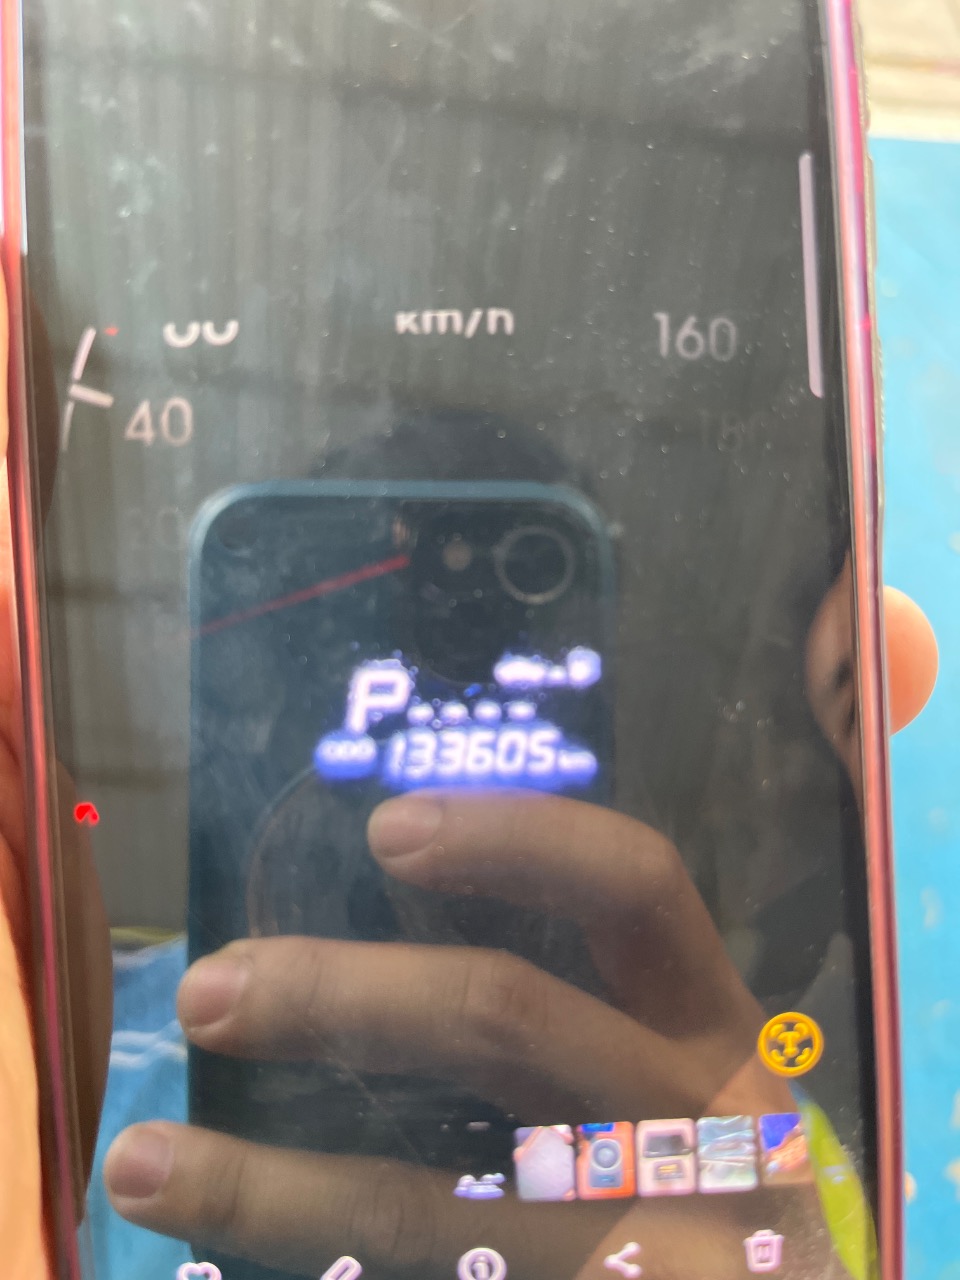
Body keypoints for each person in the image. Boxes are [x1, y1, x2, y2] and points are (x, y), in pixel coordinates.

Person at [0, 277, 941, 1278]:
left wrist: (796, 1252)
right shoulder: (57, 1048)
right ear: (266, 700)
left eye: (513, 650)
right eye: (360, 655)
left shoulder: (740, 1122)